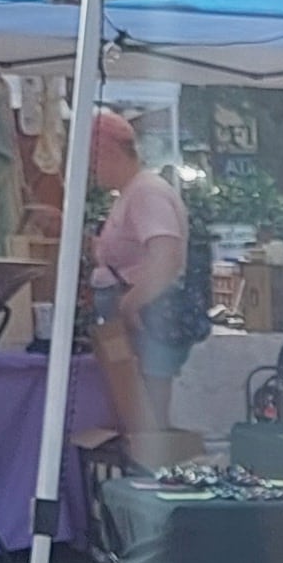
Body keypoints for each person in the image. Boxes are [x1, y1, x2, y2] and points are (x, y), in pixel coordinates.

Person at [74, 108, 191, 465]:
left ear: (107, 152)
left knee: (148, 420)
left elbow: (166, 255)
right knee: (137, 417)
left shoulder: (146, 193)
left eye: (92, 161)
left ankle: (150, 488)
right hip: (137, 315)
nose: (91, 172)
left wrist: (131, 304)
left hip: (147, 317)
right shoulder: (132, 192)